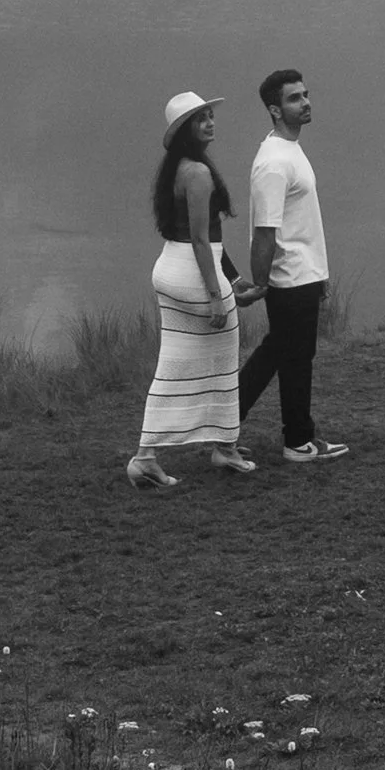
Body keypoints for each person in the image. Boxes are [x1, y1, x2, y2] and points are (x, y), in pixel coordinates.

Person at [127, 91, 265, 489]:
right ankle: (224, 447)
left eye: (209, 115)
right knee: (223, 362)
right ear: (186, 130)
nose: (210, 122)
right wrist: (215, 295)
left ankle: (148, 456)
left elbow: (199, 239)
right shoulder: (199, 174)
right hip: (193, 273)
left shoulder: (176, 170)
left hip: (170, 268)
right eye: (201, 118)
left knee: (173, 366)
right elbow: (203, 242)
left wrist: (233, 281)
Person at [237, 67, 348, 464]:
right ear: (273, 109)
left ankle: (233, 427)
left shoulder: (289, 149)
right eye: (294, 98)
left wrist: (320, 274)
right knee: (291, 358)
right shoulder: (273, 163)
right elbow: (265, 233)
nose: (305, 102)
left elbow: (302, 223)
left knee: (282, 355)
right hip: (288, 280)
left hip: (305, 275)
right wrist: (262, 283)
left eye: (305, 95)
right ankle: (297, 441)